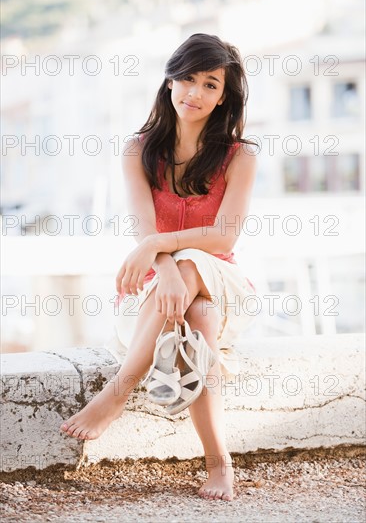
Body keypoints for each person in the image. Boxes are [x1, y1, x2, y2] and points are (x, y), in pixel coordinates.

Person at [60, 33, 258, 501]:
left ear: (224, 96)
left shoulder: (239, 156)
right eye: (187, 79)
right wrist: (165, 266)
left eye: (211, 84)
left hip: (223, 283)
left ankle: (118, 392)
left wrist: (163, 250)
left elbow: (223, 237)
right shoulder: (139, 150)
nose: (195, 93)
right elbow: (143, 229)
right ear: (169, 81)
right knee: (198, 319)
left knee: (200, 285)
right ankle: (220, 464)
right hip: (159, 294)